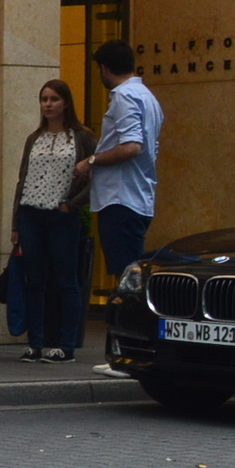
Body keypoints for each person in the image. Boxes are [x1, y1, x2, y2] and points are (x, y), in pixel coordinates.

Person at [10, 78, 95, 363]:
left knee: (66, 280)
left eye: (53, 99)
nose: (47, 104)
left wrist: (72, 206)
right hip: (31, 214)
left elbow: (97, 178)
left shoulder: (81, 137)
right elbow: (22, 180)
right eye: (44, 99)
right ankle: (35, 343)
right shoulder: (34, 138)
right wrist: (15, 224)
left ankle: (66, 345)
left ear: (66, 103)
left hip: (61, 215)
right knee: (34, 280)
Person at [78, 39, 160, 285]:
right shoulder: (147, 97)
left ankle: (130, 322)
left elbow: (131, 146)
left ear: (104, 68)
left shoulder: (124, 96)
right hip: (139, 195)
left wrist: (91, 161)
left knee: (128, 279)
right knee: (132, 273)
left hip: (120, 197)